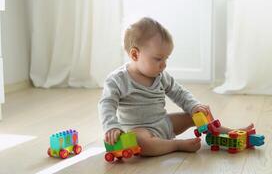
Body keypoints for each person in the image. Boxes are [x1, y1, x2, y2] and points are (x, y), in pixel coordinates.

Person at [98, 17, 251, 156]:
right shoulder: (117, 80)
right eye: (158, 58)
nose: (164, 64)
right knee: (140, 142)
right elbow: (107, 104)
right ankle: (176, 145)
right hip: (139, 131)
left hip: (164, 124)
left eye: (166, 58)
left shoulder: (161, 76)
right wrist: (111, 126)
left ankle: (228, 132)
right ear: (135, 55)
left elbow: (179, 93)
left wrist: (194, 106)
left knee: (197, 115)